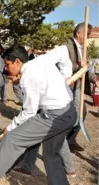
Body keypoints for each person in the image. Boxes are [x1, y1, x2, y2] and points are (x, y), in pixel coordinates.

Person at [0, 45, 77, 185]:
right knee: (51, 155)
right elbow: (63, 50)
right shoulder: (42, 59)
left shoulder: (28, 77)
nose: (6, 69)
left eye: (7, 64)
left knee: (12, 139)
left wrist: (12, 126)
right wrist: (66, 75)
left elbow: (30, 111)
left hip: (54, 116)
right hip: (70, 112)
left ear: (17, 61)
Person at [61, 22, 93, 153]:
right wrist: (77, 66)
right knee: (71, 114)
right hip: (69, 86)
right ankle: (61, 140)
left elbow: (86, 68)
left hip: (79, 86)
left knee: (82, 113)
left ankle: (70, 140)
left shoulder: (83, 48)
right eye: (88, 34)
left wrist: (94, 78)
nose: (89, 37)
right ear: (79, 33)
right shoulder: (66, 47)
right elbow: (61, 65)